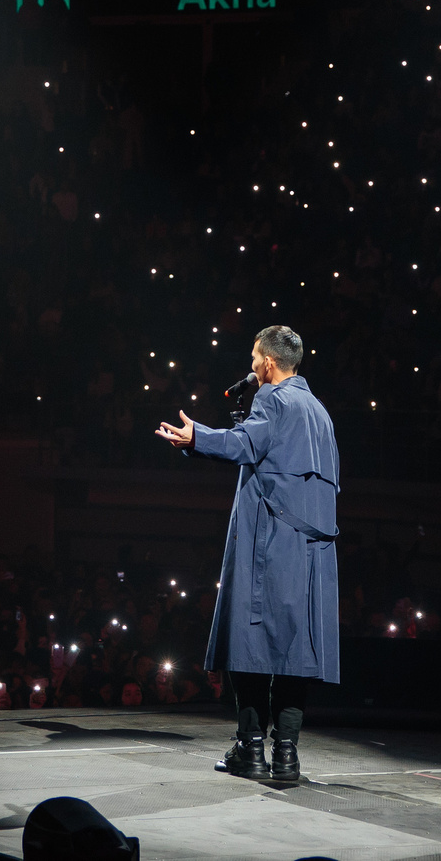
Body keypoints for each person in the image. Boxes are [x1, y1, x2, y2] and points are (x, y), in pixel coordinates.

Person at [155, 323, 341, 786]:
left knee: (250, 644)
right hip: (313, 554)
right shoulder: (320, 411)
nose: (252, 365)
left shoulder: (272, 399)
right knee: (296, 651)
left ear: (269, 363)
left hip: (270, 544)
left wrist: (196, 437)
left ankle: (250, 748)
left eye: (255, 358)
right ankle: (287, 754)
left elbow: (245, 444)